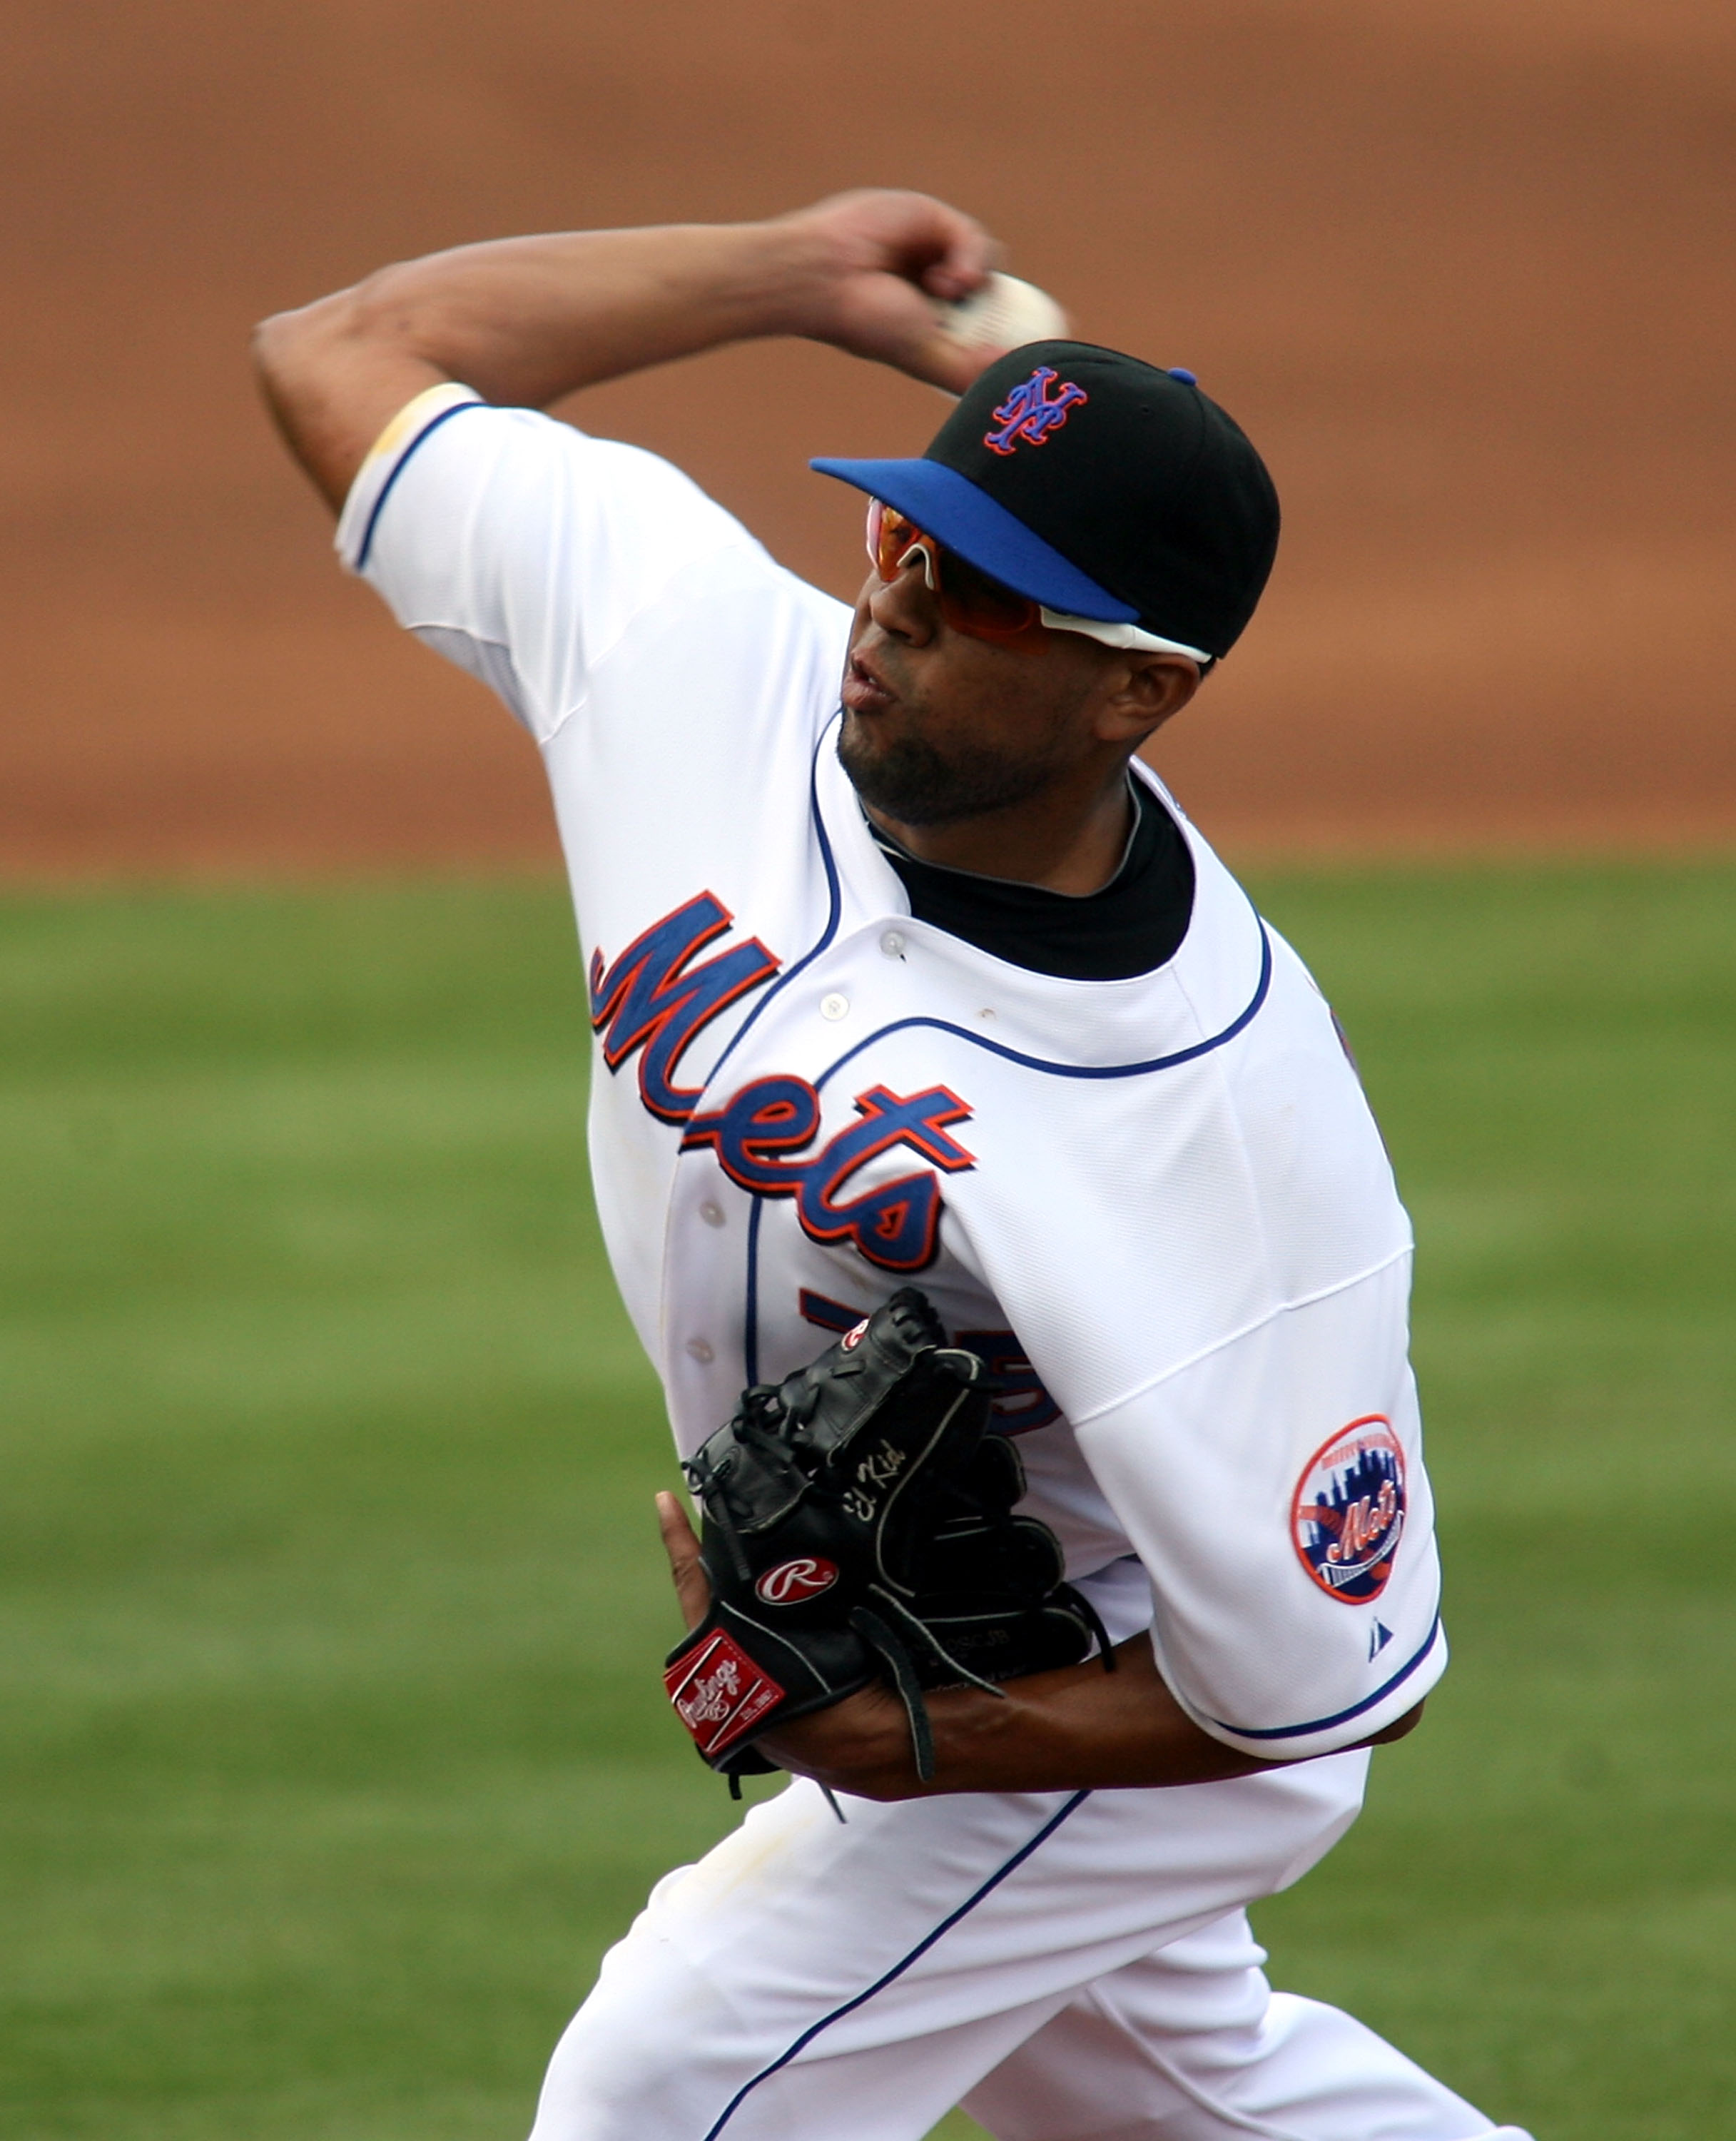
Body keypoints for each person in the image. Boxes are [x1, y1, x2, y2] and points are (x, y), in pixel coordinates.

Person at [255, 189, 1530, 2141]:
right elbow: (341, 351)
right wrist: (788, 280)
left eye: (990, 591)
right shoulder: (696, 653)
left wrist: (912, 1745)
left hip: (1115, 1698)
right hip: (927, 1650)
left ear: (1140, 686)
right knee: (1187, 2109)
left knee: (662, 2090)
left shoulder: (1220, 1142)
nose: (903, 602)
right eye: (902, 533)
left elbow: (1318, 1694)